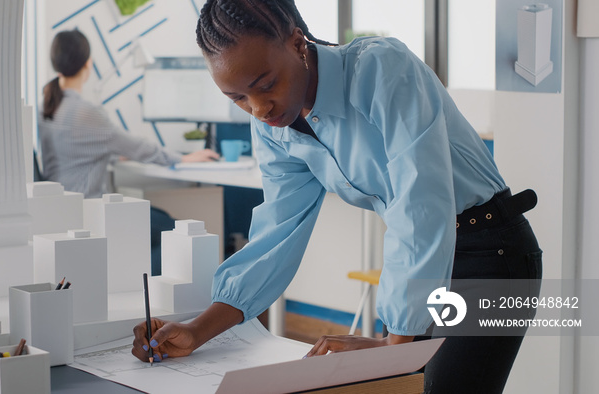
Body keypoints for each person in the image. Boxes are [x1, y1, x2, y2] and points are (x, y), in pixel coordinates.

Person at [131, 1, 542, 392]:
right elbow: (277, 233)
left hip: (492, 253)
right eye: (237, 97)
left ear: (297, 43)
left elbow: (419, 202)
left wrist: (394, 345)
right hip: (429, 263)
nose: (257, 108)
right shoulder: (275, 125)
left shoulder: (382, 69)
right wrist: (197, 330)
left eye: (265, 84)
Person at [39, 30, 219, 274]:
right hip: (91, 212)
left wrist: (110, 152)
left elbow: (75, 149)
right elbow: (138, 147)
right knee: (173, 231)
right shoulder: (85, 112)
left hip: (66, 213)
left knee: (159, 217)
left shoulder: (48, 107)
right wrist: (183, 157)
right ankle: (141, 288)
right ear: (88, 64)